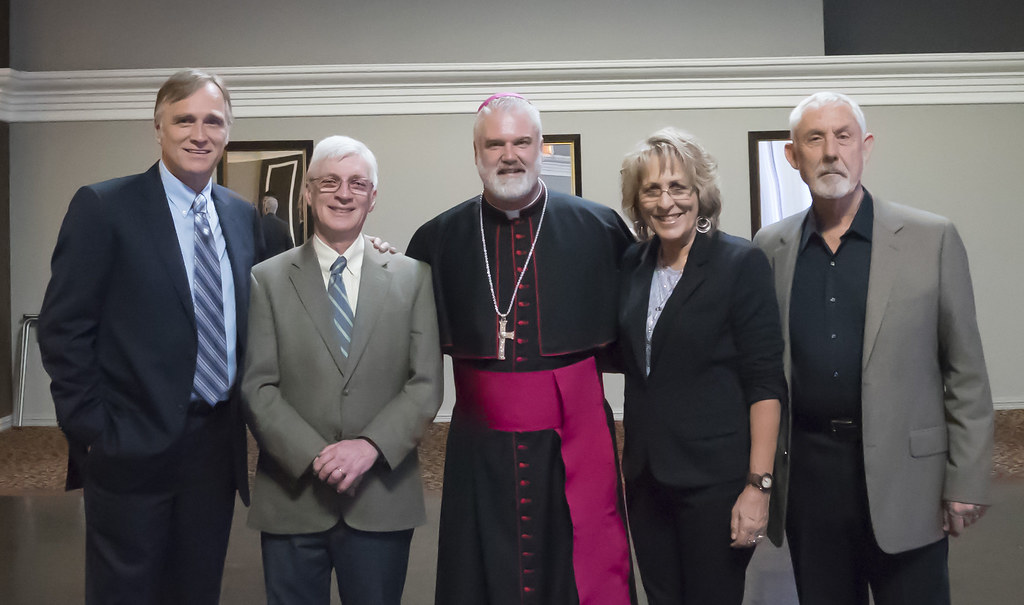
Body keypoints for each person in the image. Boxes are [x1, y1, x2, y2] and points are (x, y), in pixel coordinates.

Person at [752, 91, 994, 605]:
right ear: (792, 156)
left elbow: (966, 373)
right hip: (811, 485)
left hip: (910, 483)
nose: (830, 152)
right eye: (814, 139)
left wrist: (967, 480)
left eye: (843, 137)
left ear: (865, 147)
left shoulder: (932, 239)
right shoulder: (769, 247)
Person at [37, 69, 261, 604]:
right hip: (128, 443)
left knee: (197, 588)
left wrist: (370, 250)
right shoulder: (104, 207)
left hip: (214, 447)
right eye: (184, 120)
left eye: (213, 121)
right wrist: (92, 430)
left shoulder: (242, 216)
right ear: (157, 127)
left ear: (228, 131)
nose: (199, 134)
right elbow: (64, 328)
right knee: (125, 591)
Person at [407, 93, 635, 605]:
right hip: (479, 449)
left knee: (576, 566)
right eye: (495, 144)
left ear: (540, 147)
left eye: (521, 142)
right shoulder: (437, 239)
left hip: (573, 440)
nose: (509, 155)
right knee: (479, 571)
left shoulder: (599, 228)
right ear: (476, 152)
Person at [242, 135, 442, 605]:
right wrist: (317, 455)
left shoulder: (413, 277)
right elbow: (258, 386)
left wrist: (369, 447)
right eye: (329, 182)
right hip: (292, 497)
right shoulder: (266, 279)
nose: (344, 194)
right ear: (307, 193)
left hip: (381, 497)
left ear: (374, 196)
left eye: (357, 183)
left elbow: (425, 384)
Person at [616, 128, 786, 604]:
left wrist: (758, 487)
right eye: (652, 190)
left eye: (678, 187)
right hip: (646, 479)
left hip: (716, 482)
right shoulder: (632, 263)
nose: (666, 202)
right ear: (637, 201)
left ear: (700, 193)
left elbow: (765, 383)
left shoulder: (740, 263)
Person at [260, 192, 294, 257]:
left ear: (265, 208)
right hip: (279, 261)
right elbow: (290, 248)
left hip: (262, 261)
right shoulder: (284, 225)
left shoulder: (258, 224)